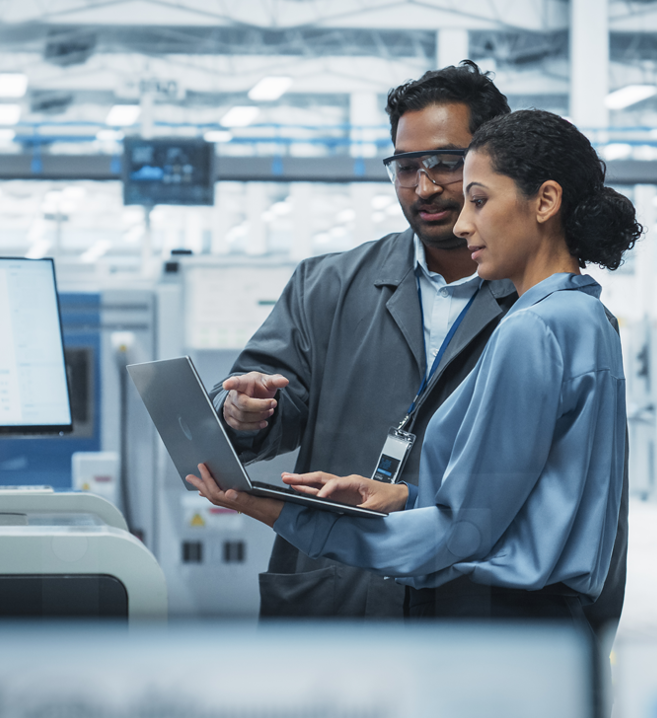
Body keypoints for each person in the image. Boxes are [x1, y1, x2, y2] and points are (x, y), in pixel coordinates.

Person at [208, 62, 628, 639]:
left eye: (454, 172)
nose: (427, 188)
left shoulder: (535, 325)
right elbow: (505, 493)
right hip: (343, 610)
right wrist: (243, 412)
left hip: (478, 623)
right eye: (406, 167)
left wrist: (274, 509)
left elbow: (479, 524)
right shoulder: (327, 286)